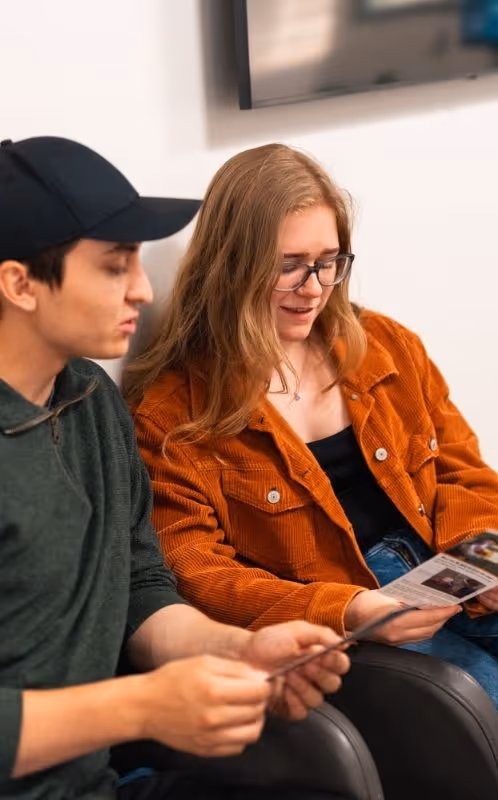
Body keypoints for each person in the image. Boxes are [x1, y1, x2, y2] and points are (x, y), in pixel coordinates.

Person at [0, 136, 352, 800]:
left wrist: (234, 650)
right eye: (114, 266)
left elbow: (137, 588)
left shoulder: (92, 402)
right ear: (20, 283)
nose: (144, 289)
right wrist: (140, 707)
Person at [125, 143, 498, 710]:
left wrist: (482, 556)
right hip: (344, 623)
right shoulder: (172, 414)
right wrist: (346, 610)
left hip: (447, 574)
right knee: (484, 704)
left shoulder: (385, 345)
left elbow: (462, 473)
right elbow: (197, 577)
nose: (314, 287)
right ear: (232, 265)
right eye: (288, 265)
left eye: (330, 260)